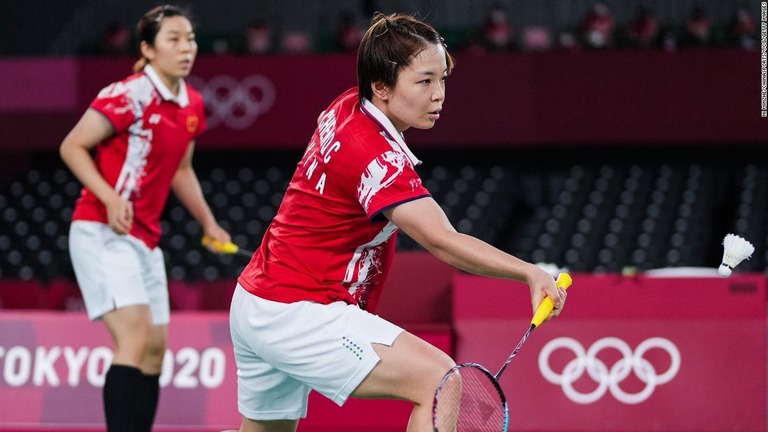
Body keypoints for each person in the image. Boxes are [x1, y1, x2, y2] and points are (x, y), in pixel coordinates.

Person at [228, 12, 566, 432]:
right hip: (299, 309)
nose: (439, 95)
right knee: (440, 381)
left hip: (255, 301)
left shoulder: (347, 104)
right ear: (382, 86)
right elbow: (443, 241)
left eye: (443, 79)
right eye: (424, 82)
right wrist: (529, 273)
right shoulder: (375, 156)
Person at [59, 5, 231, 432]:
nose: (186, 48)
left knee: (155, 349)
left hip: (144, 238)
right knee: (135, 337)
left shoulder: (192, 102)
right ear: (148, 49)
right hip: (101, 229)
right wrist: (108, 197)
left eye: (190, 38)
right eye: (173, 39)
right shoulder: (127, 94)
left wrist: (208, 222)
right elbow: (72, 146)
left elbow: (183, 170)